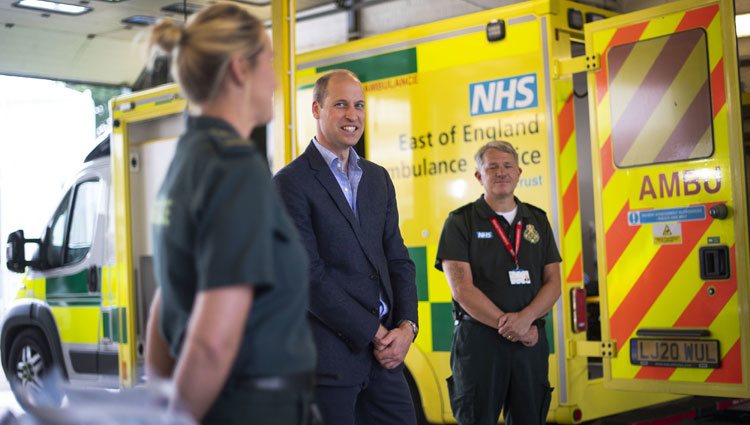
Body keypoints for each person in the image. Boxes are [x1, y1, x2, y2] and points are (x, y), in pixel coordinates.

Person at [144, 4, 317, 425]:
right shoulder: (236, 168)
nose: (277, 78)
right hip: (253, 408)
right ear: (241, 69)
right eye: (271, 61)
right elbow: (211, 345)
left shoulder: (188, 159)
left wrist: (165, 406)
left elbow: (166, 301)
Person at [273, 70, 419, 425]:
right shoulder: (289, 184)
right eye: (341, 105)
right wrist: (376, 332)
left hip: (384, 359)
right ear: (316, 109)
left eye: (359, 106)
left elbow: (397, 259)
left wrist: (407, 327)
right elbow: (308, 278)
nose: (353, 115)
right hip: (328, 362)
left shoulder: (377, 178)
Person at [435, 140, 562, 425]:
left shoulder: (537, 220)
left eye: (507, 166)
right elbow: (462, 289)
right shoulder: (460, 222)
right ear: (479, 176)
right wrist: (513, 327)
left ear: (519, 172)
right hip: (480, 344)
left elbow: (553, 282)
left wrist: (526, 321)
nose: (501, 172)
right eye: (492, 167)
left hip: (530, 343)